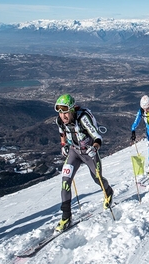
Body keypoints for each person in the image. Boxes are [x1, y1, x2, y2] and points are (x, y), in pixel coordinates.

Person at [54, 94, 114, 232]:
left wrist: (95, 148)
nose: (63, 115)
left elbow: (97, 137)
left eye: (65, 111)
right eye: (60, 112)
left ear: (72, 110)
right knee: (65, 182)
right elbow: (62, 133)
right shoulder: (59, 121)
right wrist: (63, 145)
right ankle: (66, 216)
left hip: (88, 152)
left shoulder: (82, 118)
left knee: (97, 178)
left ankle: (109, 192)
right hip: (74, 152)